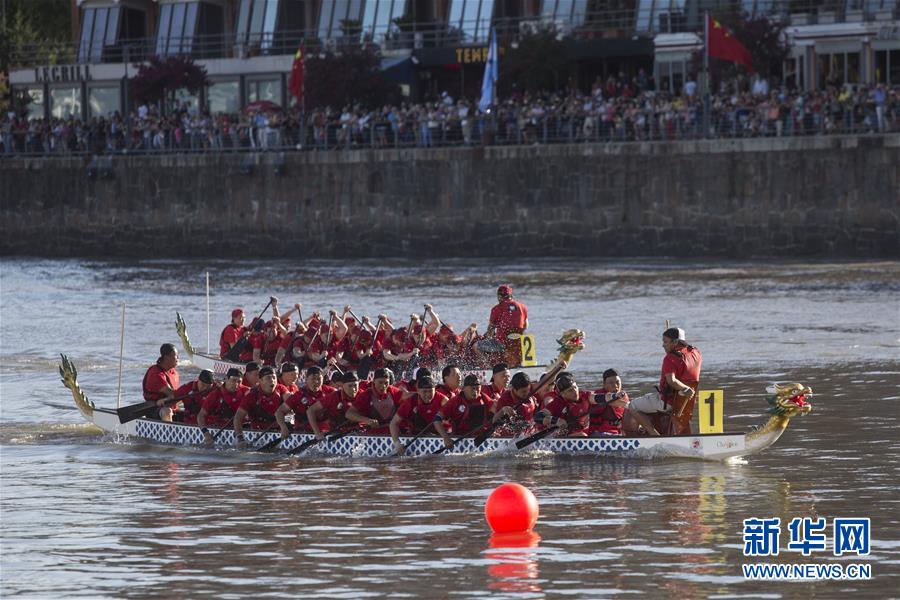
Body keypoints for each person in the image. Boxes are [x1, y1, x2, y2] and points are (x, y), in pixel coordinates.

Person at [628, 328, 702, 435]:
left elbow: (671, 381)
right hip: (686, 404)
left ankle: (655, 436)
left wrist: (685, 388)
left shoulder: (670, 358)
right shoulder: (696, 353)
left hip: (667, 402)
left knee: (632, 406)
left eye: (665, 342)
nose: (663, 345)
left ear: (675, 342)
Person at [390, 376, 448, 455]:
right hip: (416, 435)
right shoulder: (411, 401)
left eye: (430, 391)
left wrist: (446, 437)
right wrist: (397, 443)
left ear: (435, 390)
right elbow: (393, 423)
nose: (428, 395)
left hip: (438, 437)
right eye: (424, 392)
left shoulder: (443, 400)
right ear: (418, 391)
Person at [233, 366, 288, 446]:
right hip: (257, 430)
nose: (272, 381)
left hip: (278, 428)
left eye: (274, 377)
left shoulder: (281, 389)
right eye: (268, 378)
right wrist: (240, 438)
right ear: (260, 380)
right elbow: (238, 418)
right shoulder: (252, 395)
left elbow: (290, 399)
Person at [274, 366, 335, 438]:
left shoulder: (331, 392)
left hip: (327, 431)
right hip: (303, 431)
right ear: (306, 379)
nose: (316, 382)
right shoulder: (299, 395)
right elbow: (279, 412)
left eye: (319, 379)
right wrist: (283, 428)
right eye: (313, 379)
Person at [197, 367, 247, 444]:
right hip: (218, 428)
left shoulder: (247, 392)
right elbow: (201, 415)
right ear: (226, 379)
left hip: (242, 428)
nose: (236, 384)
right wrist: (206, 433)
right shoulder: (215, 394)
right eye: (233, 380)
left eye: (239, 382)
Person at [345, 368, 403, 434]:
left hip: (393, 432)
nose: (383, 386)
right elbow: (349, 414)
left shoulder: (392, 390)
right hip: (374, 434)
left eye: (386, 383)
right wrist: (367, 420)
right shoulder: (366, 394)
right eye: (380, 382)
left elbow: (408, 397)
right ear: (374, 381)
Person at [306, 370, 360, 440]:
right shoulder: (334, 396)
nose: (353, 389)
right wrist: (317, 433)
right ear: (342, 386)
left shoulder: (362, 395)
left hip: (358, 432)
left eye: (355, 385)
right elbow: (310, 410)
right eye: (350, 386)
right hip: (336, 434)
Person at [486, 285, 529, 367]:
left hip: (502, 343)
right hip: (520, 343)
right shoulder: (522, 307)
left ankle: (488, 368)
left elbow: (490, 331)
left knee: (476, 346)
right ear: (510, 295)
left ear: (499, 296)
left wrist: (489, 336)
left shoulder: (496, 309)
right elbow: (526, 326)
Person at [142, 343, 180, 422]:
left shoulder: (174, 373)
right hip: (154, 410)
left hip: (172, 408)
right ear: (166, 357)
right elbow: (173, 394)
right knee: (167, 411)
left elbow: (177, 396)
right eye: (176, 356)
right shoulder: (156, 374)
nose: (178, 358)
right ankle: (169, 433)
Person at [588, 368, 630, 436]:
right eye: (611, 383)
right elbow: (614, 402)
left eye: (617, 382)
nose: (616, 386)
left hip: (619, 433)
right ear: (604, 384)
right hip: (598, 433)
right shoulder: (597, 395)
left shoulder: (624, 396)